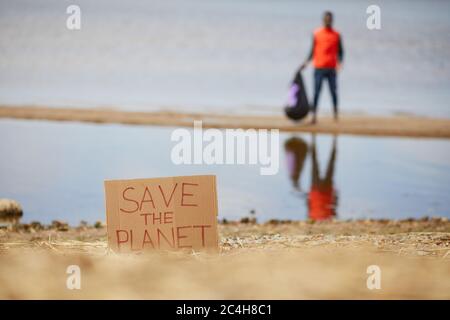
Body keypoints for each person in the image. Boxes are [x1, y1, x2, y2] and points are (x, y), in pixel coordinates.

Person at [300, 11, 344, 124]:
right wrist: (306, 62)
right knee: (316, 92)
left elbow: (341, 52)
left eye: (329, 19)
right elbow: (312, 50)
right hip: (319, 67)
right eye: (326, 19)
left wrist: (340, 63)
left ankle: (335, 115)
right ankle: (314, 117)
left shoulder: (337, 34)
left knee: (333, 92)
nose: (327, 21)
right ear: (323, 20)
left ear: (332, 20)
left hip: (331, 68)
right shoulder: (316, 33)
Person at [307, 134, 338, 221]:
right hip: (318, 191)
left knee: (322, 166)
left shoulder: (316, 216)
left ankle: (333, 146)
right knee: (316, 165)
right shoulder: (312, 215)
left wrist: (335, 195)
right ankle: (334, 145)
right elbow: (309, 204)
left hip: (320, 191)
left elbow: (334, 206)